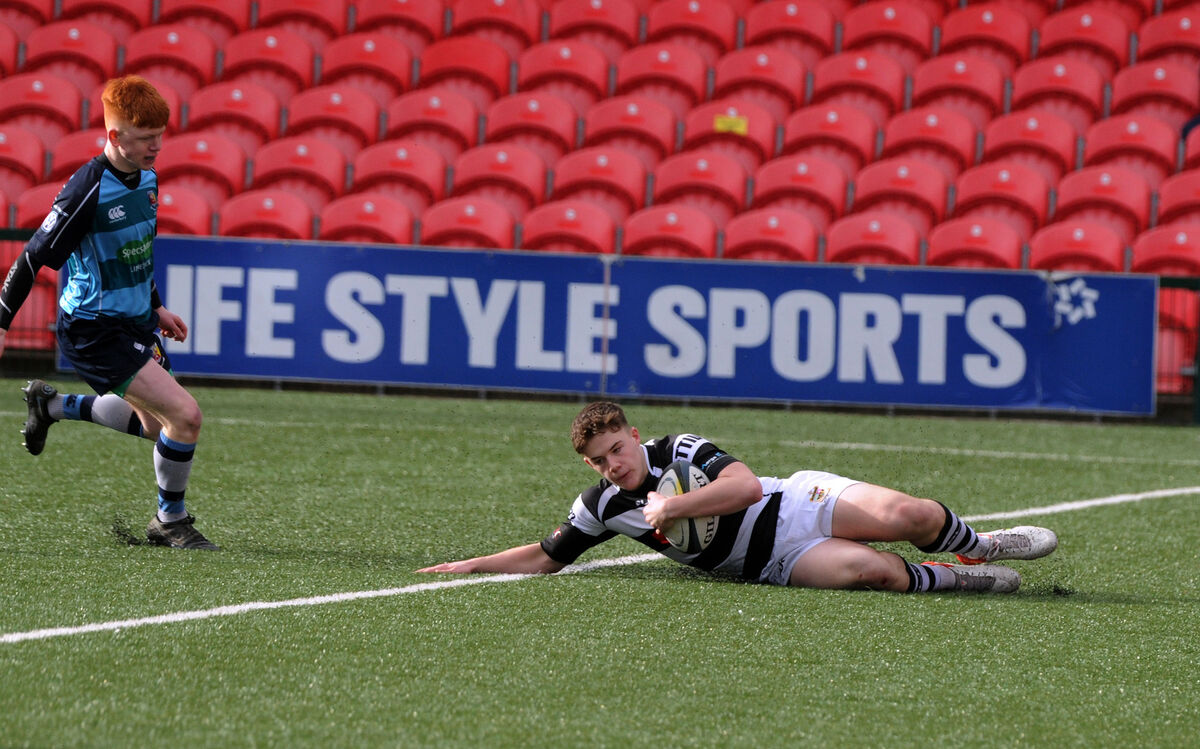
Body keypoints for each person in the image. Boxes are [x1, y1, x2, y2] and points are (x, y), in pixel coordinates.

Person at [418, 401, 1058, 593]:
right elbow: (545, 557)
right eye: (598, 461)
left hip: (797, 503)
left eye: (617, 450)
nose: (612, 467)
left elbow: (746, 486)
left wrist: (672, 507)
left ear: (634, 436)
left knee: (908, 515)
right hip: (769, 565)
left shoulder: (682, 450)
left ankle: (981, 544)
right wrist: (470, 565)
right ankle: (953, 576)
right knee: (874, 571)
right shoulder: (601, 506)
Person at [0, 75, 217, 550]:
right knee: (186, 416)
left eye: (159, 138)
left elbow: (135, 249)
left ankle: (51, 405)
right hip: (94, 329)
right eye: (145, 140)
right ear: (115, 137)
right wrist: (1, 320)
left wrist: (156, 305)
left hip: (135, 320)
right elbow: (31, 257)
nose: (155, 148)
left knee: (157, 427)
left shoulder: (149, 178)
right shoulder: (86, 191)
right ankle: (170, 521)